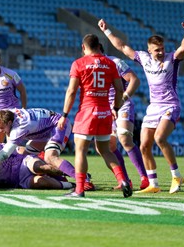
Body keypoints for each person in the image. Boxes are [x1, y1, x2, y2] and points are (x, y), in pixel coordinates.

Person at [98, 18, 184, 194]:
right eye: (157, 50)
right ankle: (153, 184)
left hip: (170, 105)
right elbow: (122, 47)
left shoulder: (171, 59)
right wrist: (106, 31)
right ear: (149, 50)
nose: (160, 52)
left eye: (162, 49)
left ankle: (176, 175)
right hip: (153, 108)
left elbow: (183, 48)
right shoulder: (143, 58)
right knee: (143, 146)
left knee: (160, 138)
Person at [57, 33, 132, 198]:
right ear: (98, 46)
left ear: (83, 47)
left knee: (81, 151)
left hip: (87, 112)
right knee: (105, 150)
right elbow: (120, 89)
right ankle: (123, 180)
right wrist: (116, 108)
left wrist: (64, 114)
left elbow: (71, 91)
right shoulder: (110, 63)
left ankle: (79, 190)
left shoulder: (79, 63)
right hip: (105, 111)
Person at [0, 108, 96, 190]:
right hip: (44, 130)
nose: (0, 131)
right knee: (25, 156)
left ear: (9, 123)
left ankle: (84, 180)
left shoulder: (19, 128)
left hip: (58, 126)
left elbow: (3, 155)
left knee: (50, 157)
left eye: (2, 128)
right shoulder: (7, 114)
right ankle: (63, 176)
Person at [100, 45, 149, 190]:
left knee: (125, 139)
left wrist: (123, 98)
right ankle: (125, 181)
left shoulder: (115, 62)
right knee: (109, 146)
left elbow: (134, 80)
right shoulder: (89, 65)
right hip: (105, 108)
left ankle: (144, 177)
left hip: (122, 105)